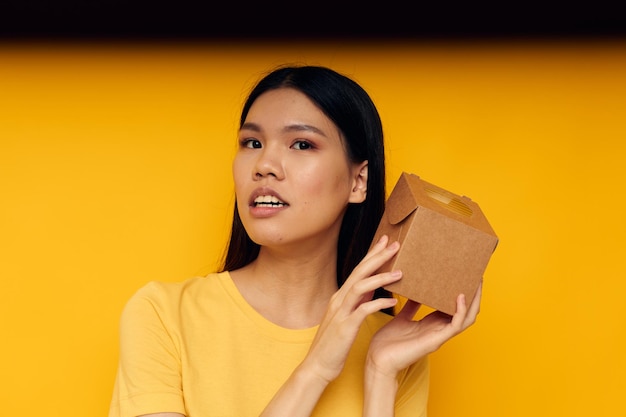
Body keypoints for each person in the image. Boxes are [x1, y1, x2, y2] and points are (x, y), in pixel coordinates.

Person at [108, 64, 482, 417]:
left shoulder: (395, 348)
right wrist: (315, 368)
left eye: (301, 144)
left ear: (358, 182)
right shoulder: (163, 314)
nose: (264, 164)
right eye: (252, 143)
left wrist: (380, 374)